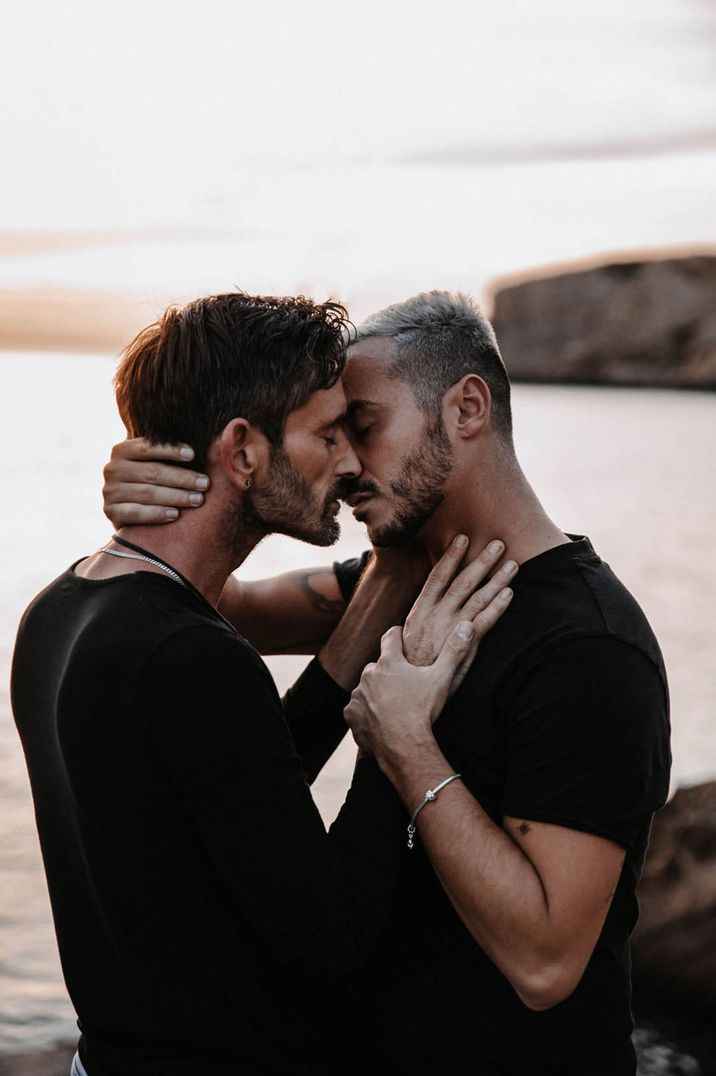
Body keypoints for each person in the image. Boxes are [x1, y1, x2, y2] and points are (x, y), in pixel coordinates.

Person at [104, 289, 671, 1075]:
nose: (343, 463)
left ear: (468, 406)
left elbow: (546, 965)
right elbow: (201, 600)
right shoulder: (397, 574)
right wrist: (164, 486)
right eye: (331, 434)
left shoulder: (589, 646)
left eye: (363, 428)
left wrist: (405, 741)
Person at [11, 292, 513, 1076]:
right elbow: (331, 942)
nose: (349, 462)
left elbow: (242, 787)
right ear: (242, 451)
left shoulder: (59, 611)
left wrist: (389, 583)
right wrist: (397, 722)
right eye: (326, 434)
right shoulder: (193, 659)